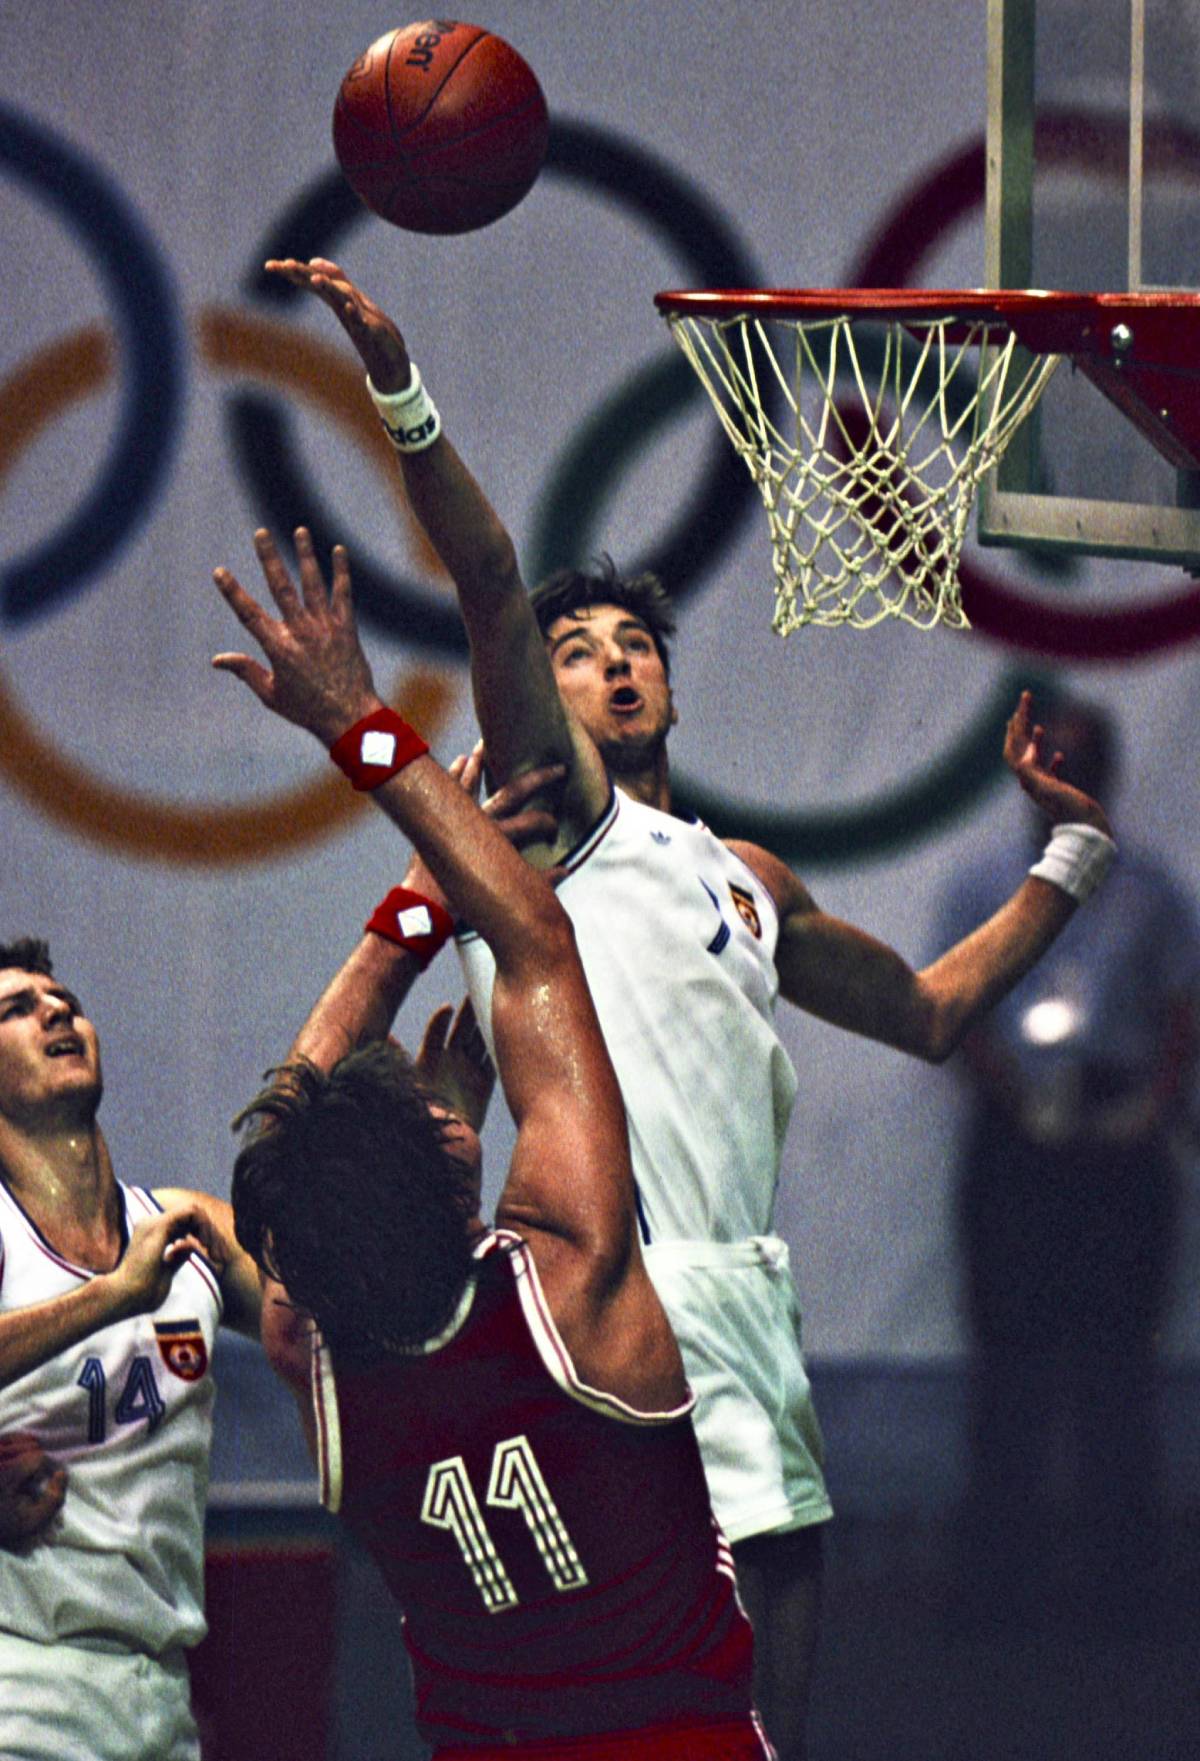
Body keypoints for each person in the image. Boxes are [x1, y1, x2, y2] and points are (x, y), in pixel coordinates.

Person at [262, 258, 1116, 1759]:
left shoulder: (743, 875)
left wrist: (1070, 853)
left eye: (634, 645)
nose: (610, 663)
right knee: (600, 1681)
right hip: (602, 1289)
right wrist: (399, 392)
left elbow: (926, 1011)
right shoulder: (554, 824)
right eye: (577, 651)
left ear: (671, 683)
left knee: (753, 1714)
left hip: (747, 1292)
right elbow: (485, 577)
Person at [210, 523, 772, 1760]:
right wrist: (361, 725)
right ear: (452, 1163)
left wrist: (402, 921)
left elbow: (279, 1154)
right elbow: (537, 945)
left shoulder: (314, 1354)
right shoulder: (569, 1269)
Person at [935, 696, 1199, 1625]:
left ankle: (1125, 1588)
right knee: (1009, 1362)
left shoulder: (1155, 890)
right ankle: (995, 1584)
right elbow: (950, 1011)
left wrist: (1151, 1107)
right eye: (1052, 769)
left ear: (1109, 780)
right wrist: (1015, 1099)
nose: (1063, 787)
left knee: (1115, 1366)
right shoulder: (980, 887)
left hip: (1119, 1139)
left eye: (1082, 769)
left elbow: (1180, 1011)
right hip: (1019, 1138)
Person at [0, 936, 264, 1761]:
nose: (56, 1010)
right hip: (22, 1689)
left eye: (63, 997)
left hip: (162, 1695)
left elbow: (343, 1311)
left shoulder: (186, 1225)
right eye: (15, 1008)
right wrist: (112, 1296)